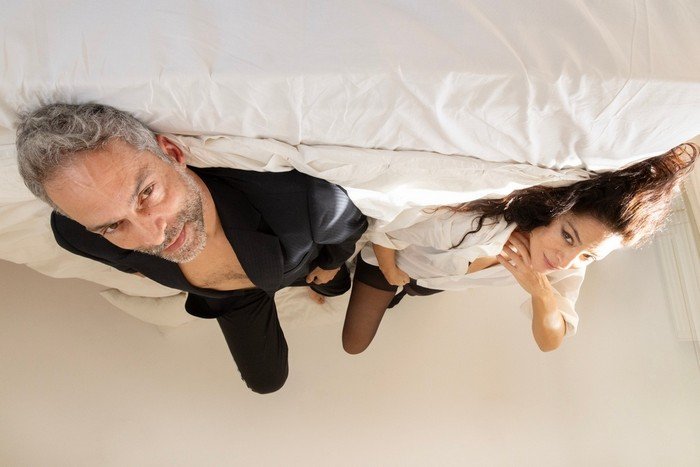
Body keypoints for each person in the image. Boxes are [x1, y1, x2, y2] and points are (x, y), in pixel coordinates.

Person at [16, 103, 368, 394]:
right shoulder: (77, 234)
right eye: (113, 225)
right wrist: (132, 265)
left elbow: (348, 230)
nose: (154, 238)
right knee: (266, 383)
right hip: (227, 298)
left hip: (301, 266)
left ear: (171, 153)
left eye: (146, 193)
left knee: (337, 285)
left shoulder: (312, 207)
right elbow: (86, 241)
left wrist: (332, 265)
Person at [342, 143, 698, 354]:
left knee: (412, 291)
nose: (565, 260)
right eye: (568, 237)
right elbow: (389, 229)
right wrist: (390, 271)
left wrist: (541, 291)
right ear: (555, 210)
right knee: (354, 344)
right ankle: (350, 274)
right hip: (391, 263)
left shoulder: (568, 265)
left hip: (430, 282)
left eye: (588, 255)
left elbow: (551, 341)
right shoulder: (478, 217)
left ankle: (402, 292)